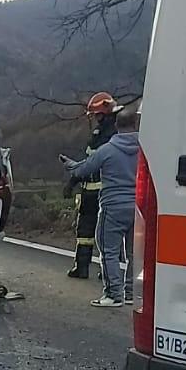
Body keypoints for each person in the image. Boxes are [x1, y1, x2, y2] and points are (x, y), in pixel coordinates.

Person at [62, 105, 139, 308]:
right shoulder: (145, 149)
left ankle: (114, 294)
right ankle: (131, 293)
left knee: (108, 250)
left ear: (116, 125)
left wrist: (70, 164)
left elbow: (83, 169)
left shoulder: (108, 150)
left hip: (113, 206)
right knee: (134, 253)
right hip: (138, 208)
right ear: (136, 124)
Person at [64, 92, 119, 279]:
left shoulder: (109, 136)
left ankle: (85, 267)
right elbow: (89, 162)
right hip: (97, 191)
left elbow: (92, 163)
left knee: (93, 232)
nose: (95, 119)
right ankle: (97, 269)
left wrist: (72, 180)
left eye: (97, 115)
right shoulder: (109, 134)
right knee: (99, 233)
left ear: (104, 114)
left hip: (100, 193)